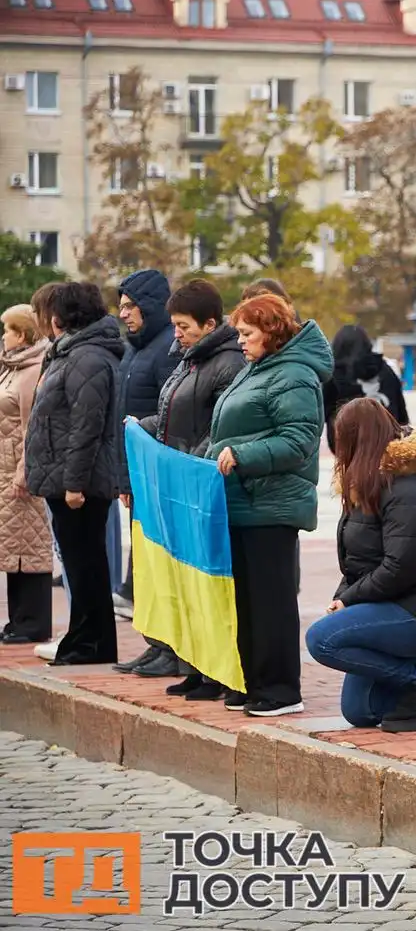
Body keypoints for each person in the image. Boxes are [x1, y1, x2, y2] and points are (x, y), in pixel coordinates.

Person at [304, 400, 416, 731]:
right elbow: (357, 564)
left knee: (321, 640)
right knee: (362, 711)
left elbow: (401, 566)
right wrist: (342, 600)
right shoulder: (366, 484)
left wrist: (350, 601)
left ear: (357, 440)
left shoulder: (406, 486)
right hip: (392, 601)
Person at [206, 293, 332, 716]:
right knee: (245, 599)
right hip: (244, 501)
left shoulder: (294, 374)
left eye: (247, 333)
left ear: (272, 332)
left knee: (270, 601)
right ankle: (251, 681)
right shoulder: (258, 369)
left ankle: (280, 690)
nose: (240, 341)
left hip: (271, 505)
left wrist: (243, 454)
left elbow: (299, 440)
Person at [124, 280, 248, 697]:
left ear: (209, 324)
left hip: (202, 487)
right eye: (175, 325)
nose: (176, 333)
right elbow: (171, 414)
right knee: (184, 582)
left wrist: (184, 463)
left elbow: (218, 428)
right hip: (181, 483)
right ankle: (195, 665)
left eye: (183, 326)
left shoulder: (228, 364)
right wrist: (142, 430)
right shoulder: (188, 359)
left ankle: (216, 672)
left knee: (207, 583)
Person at [24, 282, 125, 666]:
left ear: (58, 318)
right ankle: (85, 637)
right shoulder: (71, 354)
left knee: (86, 565)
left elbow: (87, 425)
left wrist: (74, 483)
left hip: (78, 481)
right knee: (81, 563)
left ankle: (92, 643)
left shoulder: (87, 358)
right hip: (64, 475)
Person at [112, 269, 180, 631]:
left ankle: (165, 645)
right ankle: (154, 642)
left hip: (157, 475)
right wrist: (124, 478)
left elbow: (167, 418)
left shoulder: (167, 348)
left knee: (157, 563)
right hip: (137, 473)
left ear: (151, 307)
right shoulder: (135, 351)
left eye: (129, 306)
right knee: (146, 562)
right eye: (121, 307)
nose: (123, 314)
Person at [0, 305, 54, 646]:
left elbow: (31, 426)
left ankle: (34, 621)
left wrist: (24, 471)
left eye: (7, 329)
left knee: (31, 545)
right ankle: (17, 618)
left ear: (22, 334)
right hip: (4, 468)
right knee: (11, 546)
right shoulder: (11, 367)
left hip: (20, 470)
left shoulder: (33, 369)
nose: (3, 336)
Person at [325, 325, 409, 453]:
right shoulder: (385, 370)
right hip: (386, 443)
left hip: (346, 447)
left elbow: (323, 413)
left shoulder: (333, 375)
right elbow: (401, 413)